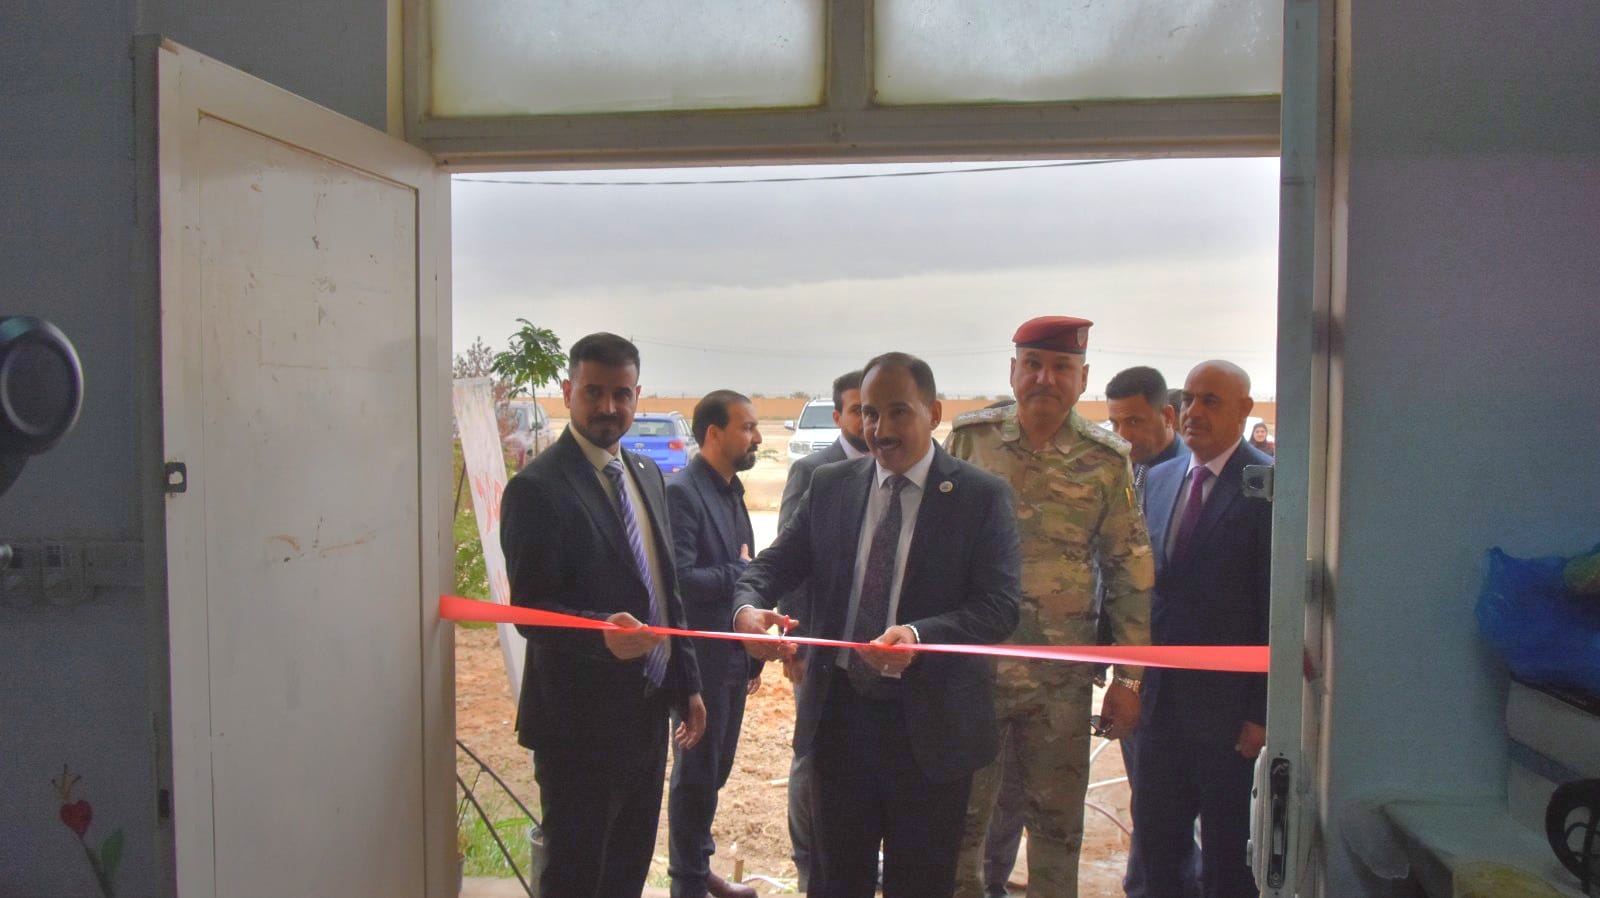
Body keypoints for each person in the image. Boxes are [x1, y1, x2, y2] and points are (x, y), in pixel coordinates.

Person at [733, 352, 1022, 898]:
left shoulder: (981, 497)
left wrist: (919, 635)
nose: (880, 428)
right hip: (840, 720)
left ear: (933, 413)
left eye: (897, 412)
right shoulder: (831, 485)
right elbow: (773, 565)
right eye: (869, 413)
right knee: (835, 880)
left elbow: (999, 607)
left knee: (921, 884)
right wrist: (746, 608)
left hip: (932, 731)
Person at [945, 316, 1154, 898]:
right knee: (960, 824)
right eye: (1033, 364)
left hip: (1059, 684)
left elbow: (1130, 571)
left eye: (1061, 367)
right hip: (974, 674)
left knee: (1058, 830)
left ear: (1082, 379)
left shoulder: (1105, 459)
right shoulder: (970, 442)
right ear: (1013, 371)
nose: (1045, 378)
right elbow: (934, 549)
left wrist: (1129, 680)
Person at [499, 332, 706, 898]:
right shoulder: (536, 489)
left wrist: (687, 682)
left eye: (622, 394)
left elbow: (666, 590)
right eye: (594, 392)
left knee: (626, 874)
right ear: (568, 392)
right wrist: (601, 635)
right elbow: (529, 611)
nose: (608, 406)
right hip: (576, 727)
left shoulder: (647, 474)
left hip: (646, 717)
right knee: (575, 877)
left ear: (637, 395)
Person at [1131, 360, 1272, 898]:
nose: (1193, 411)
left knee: (1228, 862)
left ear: (1244, 410)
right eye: (1188, 398)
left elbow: (1272, 606)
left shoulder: (1268, 484)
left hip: (1228, 718)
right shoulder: (1160, 479)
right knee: (1158, 851)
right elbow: (1145, 589)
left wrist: (1261, 711)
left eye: (1210, 400)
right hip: (1160, 709)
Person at [665, 390, 765, 898]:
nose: (757, 437)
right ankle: (687, 881)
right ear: (713, 433)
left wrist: (752, 658)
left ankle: (698, 868)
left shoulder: (732, 491)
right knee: (696, 774)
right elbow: (680, 580)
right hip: (697, 663)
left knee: (715, 770)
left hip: (731, 657)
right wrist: (739, 571)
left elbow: (745, 578)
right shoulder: (683, 493)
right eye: (746, 427)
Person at [1104, 364, 1199, 898]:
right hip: (1133, 666)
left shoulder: (1190, 477)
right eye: (1115, 423)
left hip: (1181, 672)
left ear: (1167, 416)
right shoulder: (1119, 472)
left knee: (1172, 803)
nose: (1123, 436)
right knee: (1149, 796)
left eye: (1134, 422)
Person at [774, 369, 868, 893]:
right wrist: (798, 640)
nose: (869, 421)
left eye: (874, 410)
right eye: (858, 410)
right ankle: (809, 860)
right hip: (817, 644)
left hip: (869, 649)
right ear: (838, 416)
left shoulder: (888, 468)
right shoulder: (814, 471)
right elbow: (792, 565)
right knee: (812, 753)